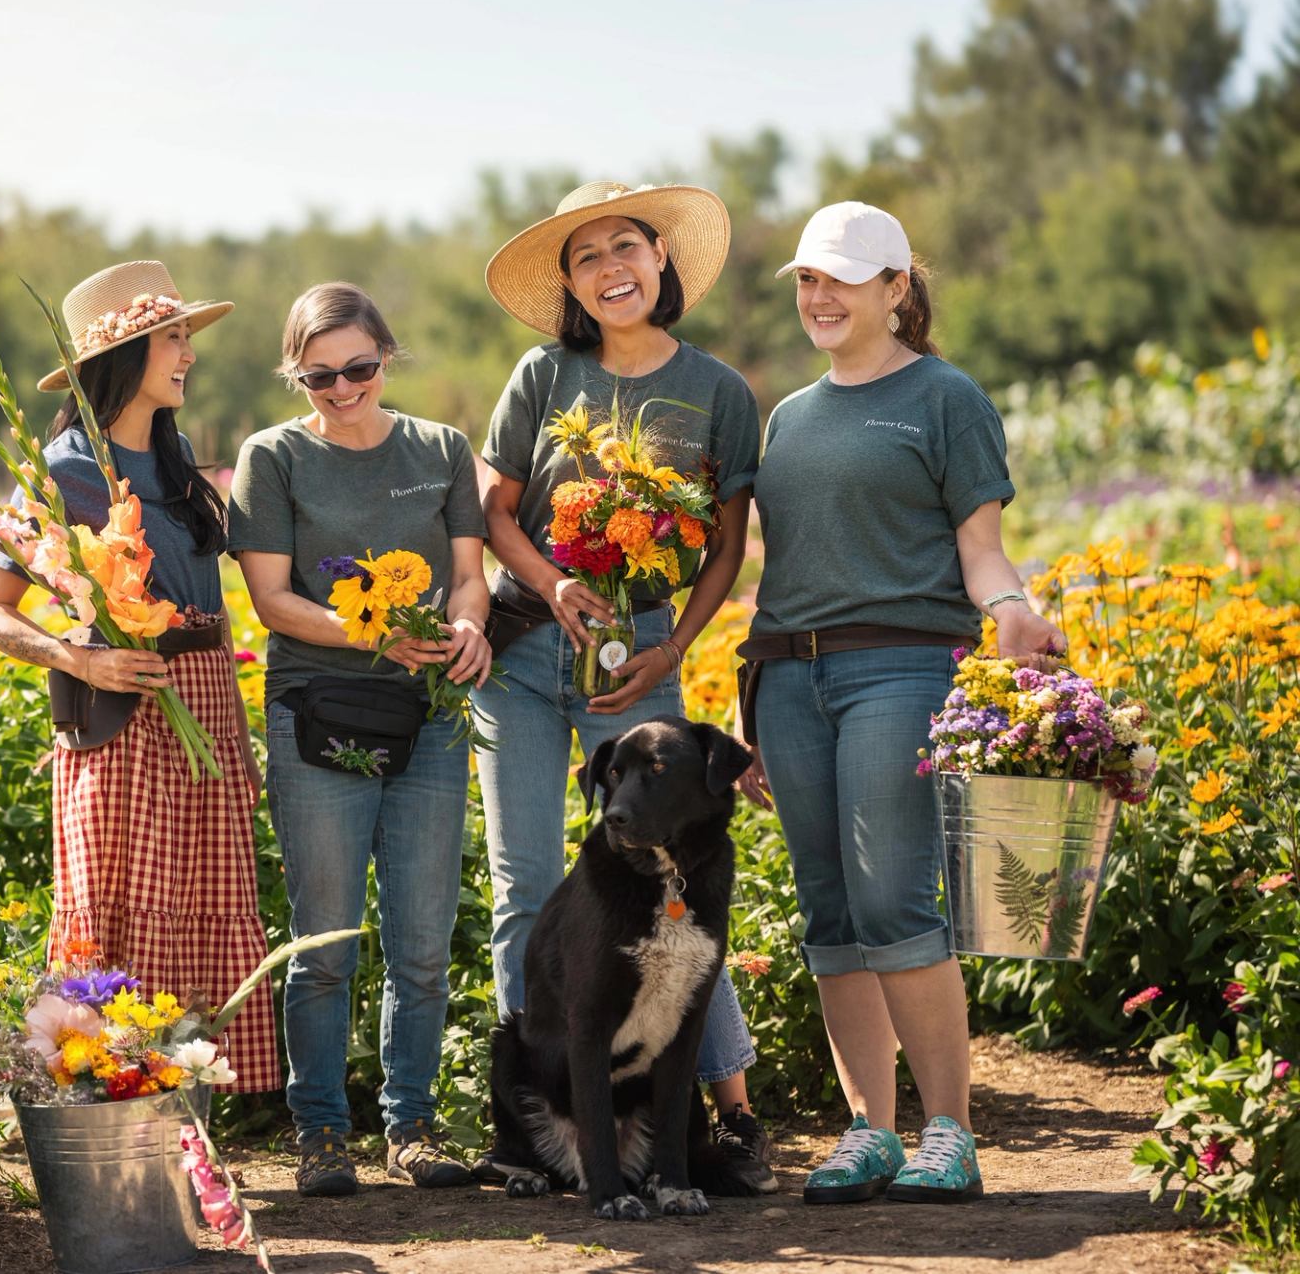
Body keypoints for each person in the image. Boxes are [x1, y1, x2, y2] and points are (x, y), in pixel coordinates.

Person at [737, 202, 1068, 1204]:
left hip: (900, 666)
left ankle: (949, 1133)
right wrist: (749, 710)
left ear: (896, 288)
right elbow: (783, 569)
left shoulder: (945, 397)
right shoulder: (787, 416)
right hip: (786, 675)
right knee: (831, 911)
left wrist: (1010, 606)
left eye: (841, 278)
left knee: (891, 901)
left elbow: (980, 547)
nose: (819, 296)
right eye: (806, 279)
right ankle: (869, 1132)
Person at [472, 181, 776, 1191]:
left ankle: (726, 1119)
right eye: (587, 255)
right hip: (527, 654)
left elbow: (729, 544)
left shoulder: (720, 391)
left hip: (644, 652)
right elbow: (496, 510)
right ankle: (549, 1126)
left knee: (684, 891)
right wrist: (556, 581)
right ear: (569, 282)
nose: (611, 268)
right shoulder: (541, 375)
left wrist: (672, 643)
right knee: (527, 891)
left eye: (627, 247)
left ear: (661, 259)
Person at [0, 260, 278, 1093]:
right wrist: (78, 655)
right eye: (174, 338)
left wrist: (240, 744)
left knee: (202, 901)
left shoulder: (181, 469)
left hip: (204, 705)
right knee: (115, 908)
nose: (189, 355)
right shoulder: (61, 470)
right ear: (127, 352)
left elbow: (214, 624)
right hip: (120, 713)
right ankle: (108, 1106)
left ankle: (185, 1104)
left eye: (185, 338)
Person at [228, 282, 491, 1196]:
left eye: (359, 369)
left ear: (388, 355)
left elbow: (469, 576)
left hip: (430, 718)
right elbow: (273, 601)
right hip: (320, 715)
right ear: (296, 376)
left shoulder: (441, 450)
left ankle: (411, 1128)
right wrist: (376, 634)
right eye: (318, 376)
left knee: (421, 938)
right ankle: (321, 1134)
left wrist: (468, 629)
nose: (341, 390)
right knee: (326, 940)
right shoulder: (273, 458)